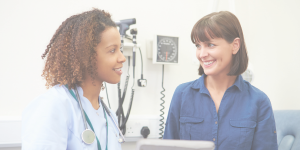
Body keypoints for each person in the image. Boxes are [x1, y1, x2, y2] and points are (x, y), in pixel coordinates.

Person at [163, 11, 278, 150]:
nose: (202, 54)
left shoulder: (259, 101)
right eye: (198, 46)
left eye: (210, 45)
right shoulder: (182, 95)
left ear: (235, 45)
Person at [22, 9, 126, 150]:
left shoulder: (109, 115)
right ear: (87, 56)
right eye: (112, 50)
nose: (122, 58)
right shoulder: (53, 106)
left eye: (120, 49)